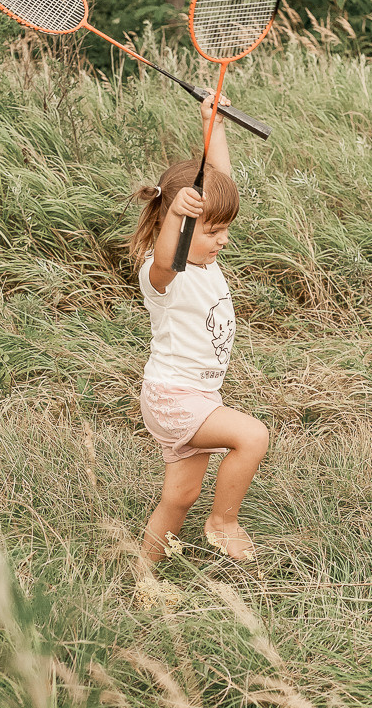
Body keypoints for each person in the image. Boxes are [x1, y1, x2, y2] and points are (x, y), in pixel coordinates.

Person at [129, 91, 269, 565]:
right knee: (252, 436)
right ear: (183, 225)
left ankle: (141, 574)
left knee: (179, 497)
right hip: (174, 397)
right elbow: (167, 256)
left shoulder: (204, 258)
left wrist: (215, 125)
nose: (223, 240)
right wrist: (175, 215)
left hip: (196, 396)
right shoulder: (163, 273)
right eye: (212, 231)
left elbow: (221, 182)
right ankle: (223, 522)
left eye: (225, 229)